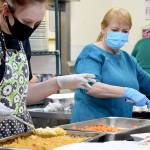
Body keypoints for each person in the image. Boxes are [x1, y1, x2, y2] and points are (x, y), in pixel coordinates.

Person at [0, 0, 95, 138]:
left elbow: (21, 95)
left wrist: (58, 83)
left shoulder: (22, 41)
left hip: (17, 133)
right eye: (27, 22)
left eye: (37, 23)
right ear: (6, 10)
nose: (31, 28)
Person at [71, 7, 150, 123]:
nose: (120, 34)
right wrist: (127, 92)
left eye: (125, 31)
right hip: (90, 127)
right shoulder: (91, 53)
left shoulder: (129, 60)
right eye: (115, 29)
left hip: (120, 127)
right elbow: (90, 86)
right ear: (103, 29)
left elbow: (147, 83)